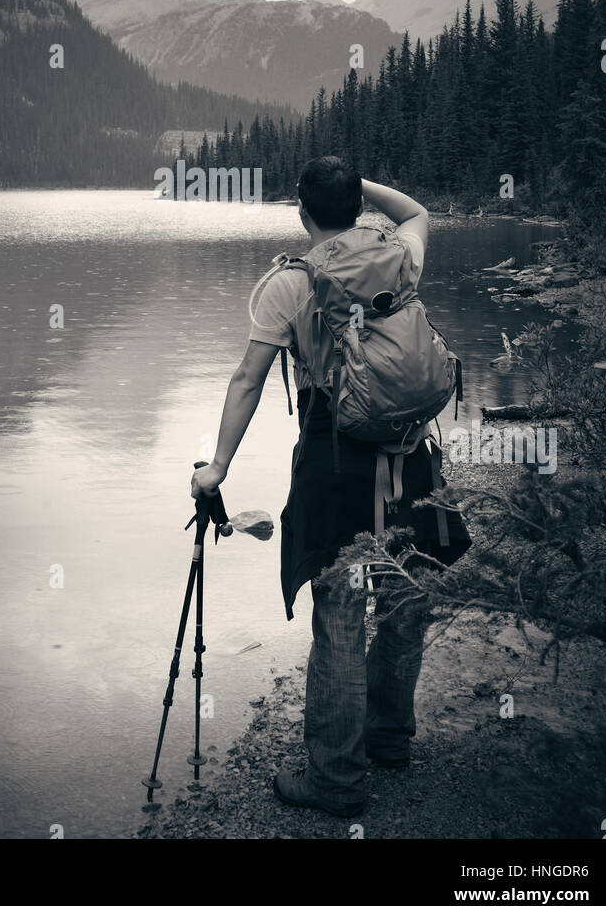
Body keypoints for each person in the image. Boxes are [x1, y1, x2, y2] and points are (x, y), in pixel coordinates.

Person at [190, 156, 469, 817]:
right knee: (403, 601)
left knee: (340, 616)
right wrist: (360, 184)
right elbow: (417, 212)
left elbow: (248, 380)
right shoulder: (397, 255)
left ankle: (337, 781)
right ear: (355, 207)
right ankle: (390, 739)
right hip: (409, 457)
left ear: (300, 213)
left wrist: (219, 466)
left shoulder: (287, 284)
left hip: (335, 459)